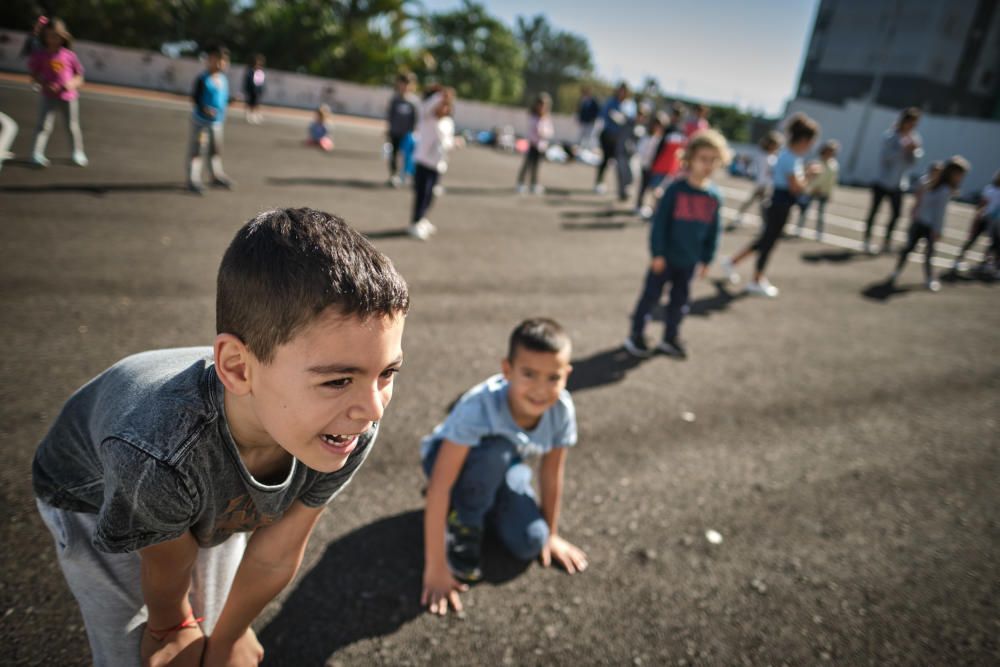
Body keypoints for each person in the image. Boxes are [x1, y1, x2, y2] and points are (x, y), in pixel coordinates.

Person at [32, 207, 410, 667]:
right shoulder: (156, 452)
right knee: (139, 651)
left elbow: (276, 552)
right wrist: (170, 625)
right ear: (236, 367)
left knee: (216, 629)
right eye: (337, 380)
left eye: (387, 373)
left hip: (205, 475)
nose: (372, 410)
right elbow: (167, 562)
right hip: (97, 492)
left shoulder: (341, 425)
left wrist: (231, 635)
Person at [420, 318, 588, 616]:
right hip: (448, 462)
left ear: (567, 375)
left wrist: (551, 533)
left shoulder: (562, 410)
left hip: (503, 466)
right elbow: (440, 485)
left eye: (553, 377)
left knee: (530, 543)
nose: (540, 388)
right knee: (496, 451)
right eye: (529, 374)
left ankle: (487, 496)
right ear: (507, 370)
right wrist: (436, 567)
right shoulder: (479, 408)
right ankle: (465, 521)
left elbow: (551, 473)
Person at [623, 130, 729, 359]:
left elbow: (714, 232)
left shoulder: (714, 197)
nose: (708, 165)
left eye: (713, 160)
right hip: (666, 258)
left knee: (680, 303)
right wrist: (657, 253)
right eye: (703, 159)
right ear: (689, 159)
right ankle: (636, 334)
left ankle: (670, 336)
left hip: (689, 262)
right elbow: (659, 225)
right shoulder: (675, 190)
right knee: (650, 297)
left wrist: (706, 259)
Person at [720, 113, 820, 298]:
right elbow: (796, 188)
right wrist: (810, 175)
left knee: (764, 240)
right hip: (780, 204)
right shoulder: (790, 157)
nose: (812, 145)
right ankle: (756, 279)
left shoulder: (789, 155)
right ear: (805, 139)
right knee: (768, 243)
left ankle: (733, 262)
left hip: (778, 203)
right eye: (812, 140)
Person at [888, 156, 970, 291]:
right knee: (927, 253)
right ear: (953, 173)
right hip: (928, 225)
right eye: (960, 175)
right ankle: (928, 279)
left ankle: (898, 272)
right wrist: (938, 230)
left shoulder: (932, 182)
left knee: (910, 249)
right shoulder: (944, 189)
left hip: (920, 221)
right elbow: (939, 213)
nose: (961, 178)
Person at [27, 17, 87, 167]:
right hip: (48, 96)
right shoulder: (40, 55)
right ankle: (36, 154)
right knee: (43, 126)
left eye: (56, 36)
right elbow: (33, 74)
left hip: (69, 97)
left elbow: (79, 76)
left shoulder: (69, 55)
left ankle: (77, 153)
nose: (53, 39)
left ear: (63, 36)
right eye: (50, 35)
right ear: (45, 36)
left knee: (72, 126)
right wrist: (45, 84)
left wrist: (71, 84)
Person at [863, 107, 923, 254]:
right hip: (882, 180)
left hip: (899, 183)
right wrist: (903, 150)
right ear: (904, 121)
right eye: (911, 123)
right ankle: (866, 240)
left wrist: (914, 151)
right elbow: (885, 157)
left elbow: (914, 161)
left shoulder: (914, 139)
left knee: (896, 214)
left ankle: (886, 242)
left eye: (914, 124)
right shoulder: (890, 136)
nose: (912, 127)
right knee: (874, 211)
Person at [410, 86, 455, 241]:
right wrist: (440, 95)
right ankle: (415, 222)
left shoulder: (448, 122)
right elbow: (425, 107)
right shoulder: (427, 118)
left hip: (438, 165)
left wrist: (452, 143)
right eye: (441, 104)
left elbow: (448, 141)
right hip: (423, 162)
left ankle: (423, 219)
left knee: (431, 195)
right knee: (422, 194)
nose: (444, 108)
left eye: (446, 105)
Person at [187, 44, 234, 194]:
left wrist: (231, 100)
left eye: (225, 61)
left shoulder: (223, 79)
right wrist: (205, 109)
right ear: (210, 60)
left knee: (215, 151)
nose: (222, 64)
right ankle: (193, 179)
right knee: (197, 151)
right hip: (201, 123)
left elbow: (222, 99)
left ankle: (215, 175)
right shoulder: (203, 79)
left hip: (217, 123)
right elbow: (195, 99)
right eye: (218, 60)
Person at [594, 82, 637, 201]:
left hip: (622, 139)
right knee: (605, 159)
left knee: (621, 165)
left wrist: (624, 119)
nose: (622, 93)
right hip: (608, 136)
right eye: (620, 90)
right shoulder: (611, 102)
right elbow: (603, 115)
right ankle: (600, 181)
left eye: (624, 91)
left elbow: (632, 120)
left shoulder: (630, 105)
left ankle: (622, 189)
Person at [732, 131, 783, 229]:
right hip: (763, 183)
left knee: (759, 203)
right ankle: (763, 223)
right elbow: (763, 171)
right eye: (775, 145)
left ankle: (742, 217)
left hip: (767, 184)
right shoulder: (763, 156)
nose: (777, 148)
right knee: (762, 204)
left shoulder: (772, 156)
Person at [953, 169, 1000, 272]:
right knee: (973, 239)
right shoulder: (991, 189)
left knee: (995, 244)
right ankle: (958, 260)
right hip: (986, 218)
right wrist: (977, 217)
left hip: (995, 221)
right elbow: (982, 204)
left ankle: (986, 264)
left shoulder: (991, 189)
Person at [794, 139, 840, 240]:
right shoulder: (816, 162)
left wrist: (829, 193)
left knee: (821, 213)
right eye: (828, 151)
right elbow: (808, 177)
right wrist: (810, 188)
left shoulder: (834, 165)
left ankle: (819, 232)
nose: (830, 153)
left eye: (832, 152)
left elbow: (832, 181)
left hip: (824, 192)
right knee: (804, 210)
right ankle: (799, 228)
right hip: (811, 191)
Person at [516, 92, 554, 195]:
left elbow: (549, 131)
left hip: (541, 146)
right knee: (527, 164)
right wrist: (539, 133)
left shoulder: (546, 117)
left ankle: (534, 184)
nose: (542, 107)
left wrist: (544, 133)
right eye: (541, 104)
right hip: (533, 144)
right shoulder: (533, 117)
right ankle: (520, 183)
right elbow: (534, 130)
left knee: (537, 166)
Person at [386, 72, 419, 187]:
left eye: (407, 84)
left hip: (408, 134)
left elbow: (415, 118)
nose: (405, 86)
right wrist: (389, 128)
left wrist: (414, 131)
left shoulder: (413, 101)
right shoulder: (395, 99)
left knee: (408, 156)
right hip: (395, 132)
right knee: (394, 154)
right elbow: (390, 115)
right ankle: (393, 175)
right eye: (403, 83)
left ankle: (406, 175)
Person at [634, 111, 667, 216]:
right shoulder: (646, 137)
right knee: (643, 186)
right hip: (646, 165)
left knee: (653, 188)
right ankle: (639, 205)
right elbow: (641, 151)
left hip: (656, 167)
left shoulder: (661, 139)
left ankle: (650, 207)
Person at [242, 54, 266, 125]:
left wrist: (261, 90)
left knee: (257, 103)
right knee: (250, 103)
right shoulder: (250, 71)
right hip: (251, 90)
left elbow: (261, 82)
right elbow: (247, 81)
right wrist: (247, 89)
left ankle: (255, 114)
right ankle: (249, 114)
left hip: (257, 91)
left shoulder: (260, 71)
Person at [576, 85, 600, 150]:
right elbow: (579, 111)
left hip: (590, 122)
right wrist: (579, 119)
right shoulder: (582, 100)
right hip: (583, 122)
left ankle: (588, 149)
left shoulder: (594, 101)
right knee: (581, 137)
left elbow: (596, 111)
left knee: (589, 137)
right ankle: (580, 149)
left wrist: (593, 119)